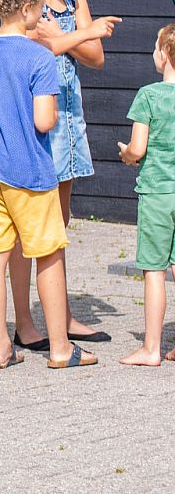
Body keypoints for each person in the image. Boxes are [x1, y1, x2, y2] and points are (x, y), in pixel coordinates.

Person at [0, 0, 95, 369]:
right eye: (40, 7)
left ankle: (0, 347)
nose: (43, 14)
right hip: (30, 171)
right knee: (49, 253)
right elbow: (44, 121)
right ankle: (61, 349)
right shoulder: (39, 58)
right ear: (25, 10)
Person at [9, 0, 121, 353]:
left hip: (69, 119)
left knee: (60, 220)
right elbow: (39, 46)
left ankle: (62, 314)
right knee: (30, 225)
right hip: (41, 119)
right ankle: (24, 321)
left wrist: (71, 36)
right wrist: (82, 33)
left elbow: (96, 56)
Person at [117, 23, 175, 366]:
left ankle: (152, 348)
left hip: (157, 193)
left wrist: (127, 154)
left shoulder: (149, 95)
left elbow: (138, 149)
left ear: (165, 54)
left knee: (154, 269)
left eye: (155, 47)